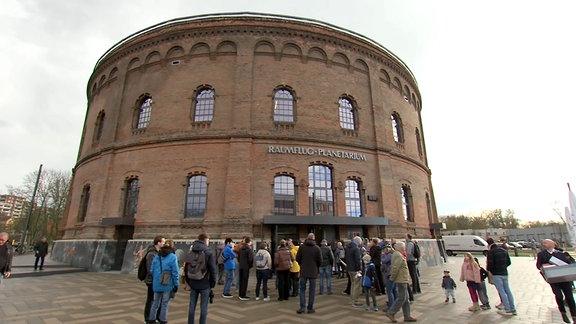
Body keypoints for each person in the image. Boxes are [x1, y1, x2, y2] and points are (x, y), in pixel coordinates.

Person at [536, 238, 576, 323]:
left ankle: (574, 316)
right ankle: (563, 312)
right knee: (559, 296)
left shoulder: (562, 253)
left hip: (565, 278)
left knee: (570, 297)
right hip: (553, 279)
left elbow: (571, 262)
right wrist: (542, 267)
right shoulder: (541, 254)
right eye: (543, 243)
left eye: (546, 243)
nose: (544, 244)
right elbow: (538, 265)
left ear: (553, 244)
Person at [184, 233, 216, 324]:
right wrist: (212, 283)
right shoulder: (208, 252)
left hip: (193, 283)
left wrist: (188, 281)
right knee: (204, 307)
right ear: (205, 240)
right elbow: (213, 269)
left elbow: (186, 268)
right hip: (205, 283)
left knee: (192, 306)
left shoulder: (191, 251)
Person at [385, 241, 417, 323]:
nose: (404, 249)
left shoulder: (397, 254)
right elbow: (395, 268)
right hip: (401, 280)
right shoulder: (398, 255)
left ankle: (407, 316)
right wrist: (392, 278)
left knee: (406, 299)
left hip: (403, 279)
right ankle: (391, 312)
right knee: (402, 298)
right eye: (403, 247)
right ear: (400, 248)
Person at [149, 240, 179, 324]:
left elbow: (152, 270)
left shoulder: (157, 256)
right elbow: (175, 271)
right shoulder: (172, 256)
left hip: (156, 283)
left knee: (155, 302)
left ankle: (151, 319)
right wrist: (176, 284)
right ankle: (163, 320)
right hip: (167, 283)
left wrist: (157, 277)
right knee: (165, 303)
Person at [486, 237, 517, 316]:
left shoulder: (491, 252)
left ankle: (506, 308)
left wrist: (492, 271)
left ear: (489, 245)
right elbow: (509, 262)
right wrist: (503, 266)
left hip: (496, 274)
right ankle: (512, 308)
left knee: (501, 291)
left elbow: (490, 265)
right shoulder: (503, 250)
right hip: (504, 273)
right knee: (508, 290)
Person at [295, 233, 322, 314]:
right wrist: (316, 267)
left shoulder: (302, 247)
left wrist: (302, 265)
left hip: (303, 271)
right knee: (312, 290)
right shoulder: (317, 248)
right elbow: (320, 260)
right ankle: (310, 308)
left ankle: (302, 307)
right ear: (313, 238)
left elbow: (297, 258)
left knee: (302, 290)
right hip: (313, 272)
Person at [143, 235, 165, 324]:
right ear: (158, 243)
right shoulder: (152, 253)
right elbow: (150, 269)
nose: (164, 243)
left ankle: (156, 317)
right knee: (151, 299)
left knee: (158, 299)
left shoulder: (159, 252)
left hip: (158, 280)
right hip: (152, 280)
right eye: (163, 242)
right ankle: (148, 318)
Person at [345, 236, 363, 308]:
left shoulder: (347, 248)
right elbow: (357, 260)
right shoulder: (356, 249)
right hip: (355, 269)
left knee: (353, 284)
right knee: (357, 285)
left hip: (349, 268)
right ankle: (355, 301)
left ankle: (352, 299)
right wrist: (359, 269)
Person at [382, 244, 396, 310]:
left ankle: (391, 306)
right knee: (393, 290)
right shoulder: (392, 255)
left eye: (384, 249)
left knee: (389, 291)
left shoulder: (389, 255)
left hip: (389, 274)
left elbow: (383, 261)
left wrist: (383, 255)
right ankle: (394, 303)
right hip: (392, 274)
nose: (383, 251)